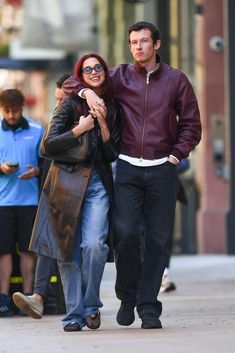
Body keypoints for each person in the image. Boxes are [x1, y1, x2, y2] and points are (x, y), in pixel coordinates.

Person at [63, 21, 201, 329]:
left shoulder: (177, 81)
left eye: (143, 41)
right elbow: (73, 81)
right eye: (133, 42)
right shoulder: (119, 76)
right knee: (124, 234)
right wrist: (88, 92)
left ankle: (148, 306)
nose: (138, 47)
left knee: (158, 239)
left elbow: (191, 125)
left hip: (162, 169)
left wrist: (175, 155)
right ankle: (127, 296)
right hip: (126, 167)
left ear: (157, 44)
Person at [25, 53, 120, 332]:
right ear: (80, 75)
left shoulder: (113, 106)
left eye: (98, 67)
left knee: (94, 245)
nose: (93, 71)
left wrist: (102, 123)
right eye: (87, 69)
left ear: (104, 71)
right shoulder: (69, 103)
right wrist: (79, 129)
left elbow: (112, 152)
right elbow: (48, 146)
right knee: (67, 252)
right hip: (65, 184)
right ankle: (74, 314)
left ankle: (91, 305)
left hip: (98, 184)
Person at [12, 73, 71, 319]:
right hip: (51, 191)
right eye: (56, 100)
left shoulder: (83, 124)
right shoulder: (55, 123)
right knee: (47, 244)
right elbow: (47, 158)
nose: (58, 105)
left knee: (82, 250)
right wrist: (38, 174)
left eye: (62, 100)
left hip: (76, 193)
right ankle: (39, 297)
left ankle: (79, 303)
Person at [0, 89, 44, 317]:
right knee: (3, 252)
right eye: (6, 111)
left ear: (21, 108)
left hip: (30, 201)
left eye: (15, 111)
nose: (11, 115)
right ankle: (3, 299)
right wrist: (2, 168)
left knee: (29, 252)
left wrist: (36, 171)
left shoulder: (37, 130)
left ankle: (28, 298)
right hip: (2, 202)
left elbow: (46, 165)